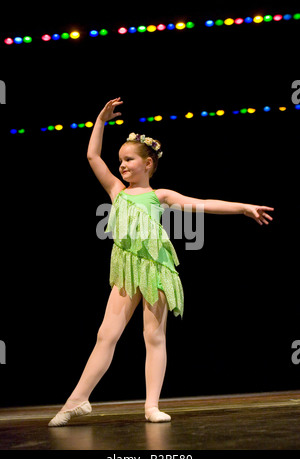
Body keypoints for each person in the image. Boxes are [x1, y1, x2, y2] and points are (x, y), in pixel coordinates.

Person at [48, 98, 274, 426]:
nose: (122, 165)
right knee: (105, 334)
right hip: (127, 268)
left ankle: (151, 406)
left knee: (153, 337)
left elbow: (202, 203)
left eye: (129, 160)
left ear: (148, 164)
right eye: (120, 160)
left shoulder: (160, 195)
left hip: (156, 268)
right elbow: (92, 156)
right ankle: (77, 400)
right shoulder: (116, 191)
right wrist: (100, 121)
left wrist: (243, 207)